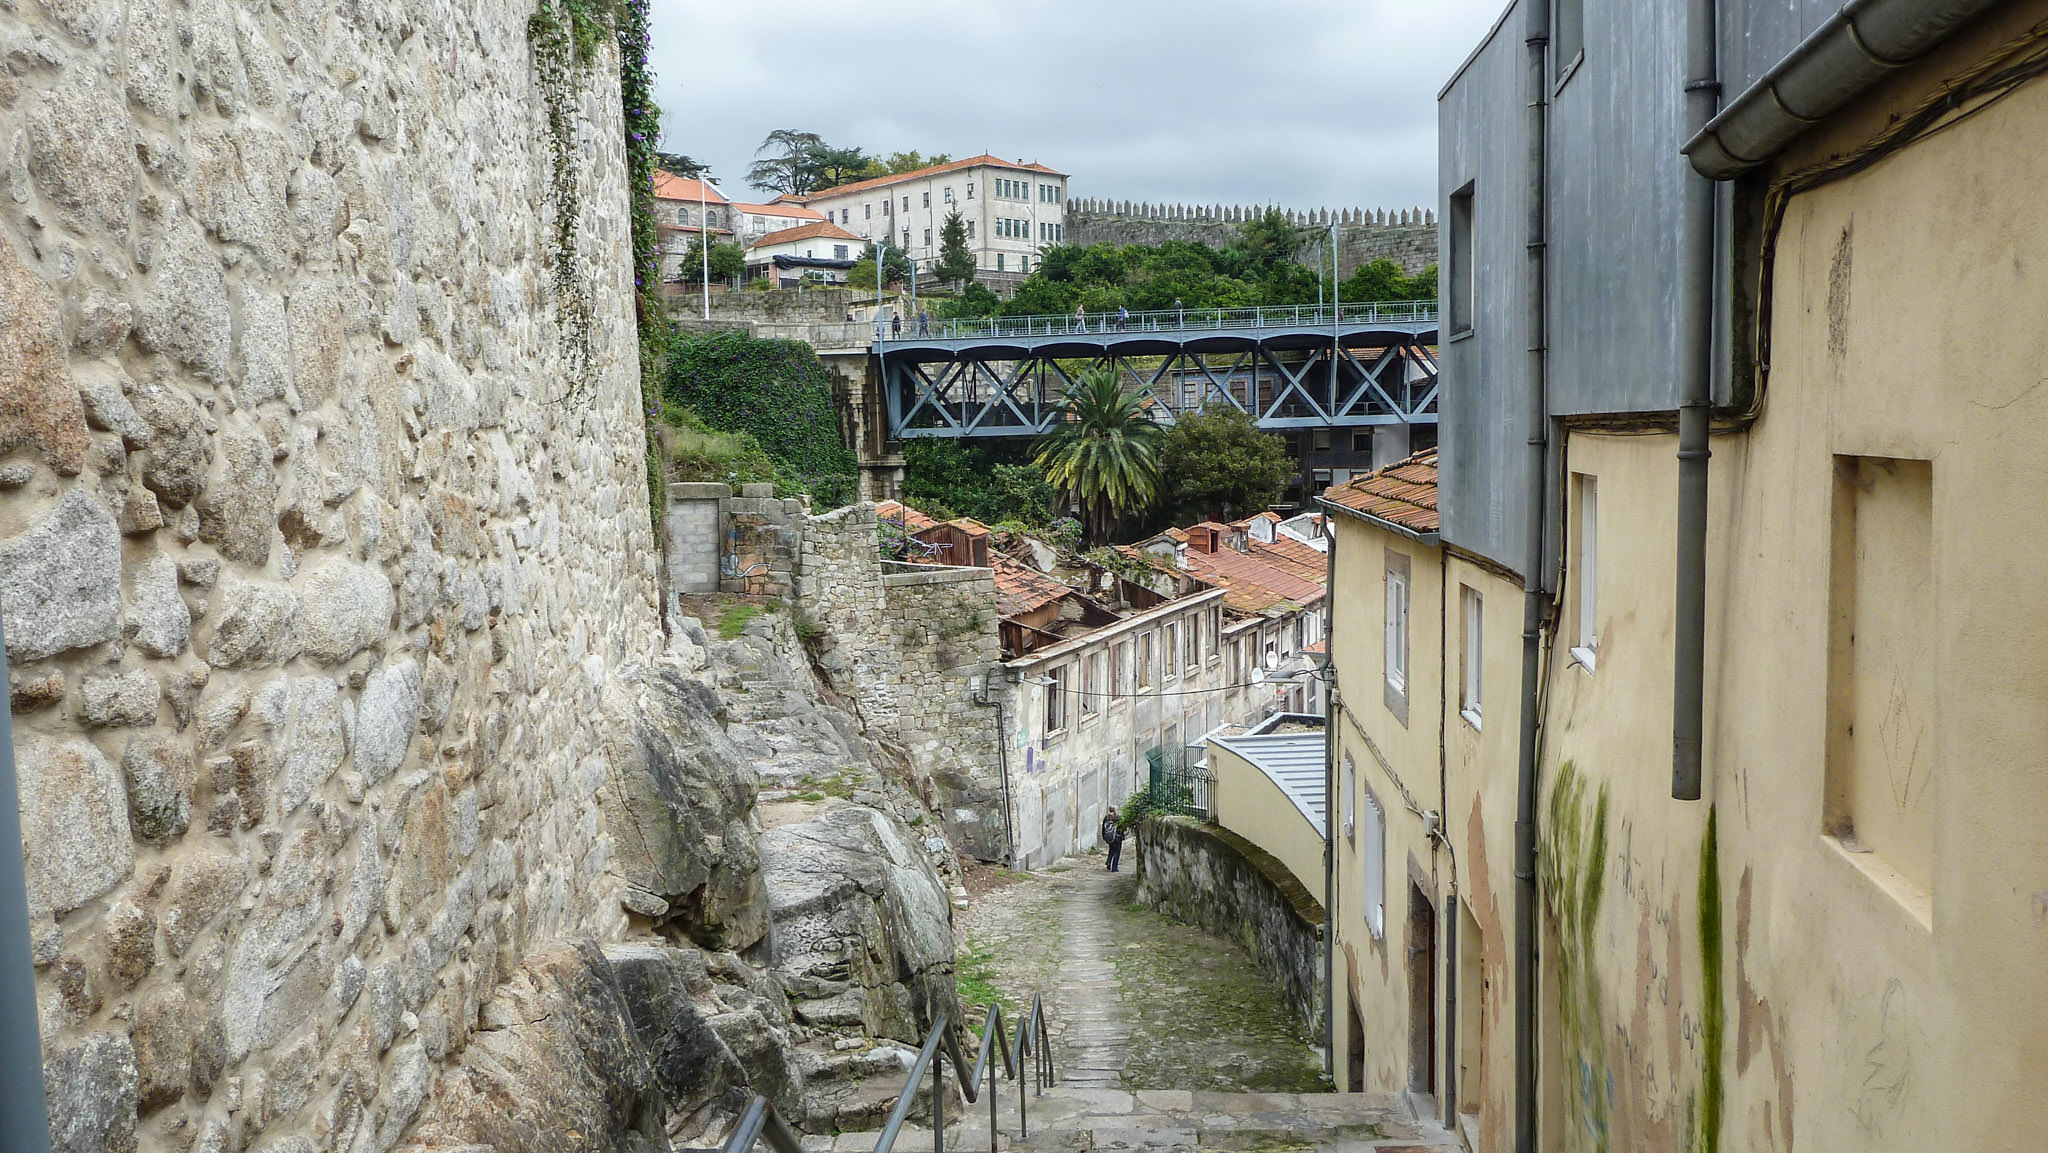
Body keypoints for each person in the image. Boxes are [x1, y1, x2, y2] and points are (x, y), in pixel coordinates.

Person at [1101, 805, 1125, 872]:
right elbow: (1121, 828)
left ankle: (1109, 861)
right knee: (1117, 852)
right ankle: (1114, 868)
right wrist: (1122, 836)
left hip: (1109, 837)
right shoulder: (1117, 817)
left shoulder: (1106, 817)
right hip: (1117, 837)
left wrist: (1104, 836)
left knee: (1111, 849)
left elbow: (1103, 828)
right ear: (1115, 810)